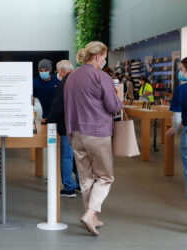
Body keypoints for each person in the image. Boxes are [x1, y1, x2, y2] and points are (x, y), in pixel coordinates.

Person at [64, 41, 122, 235]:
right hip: (97, 133)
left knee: (86, 177)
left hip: (76, 133)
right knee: (105, 177)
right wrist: (118, 95)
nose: (105, 60)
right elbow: (113, 107)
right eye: (104, 56)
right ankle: (90, 213)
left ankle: (93, 218)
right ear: (98, 56)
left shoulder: (71, 77)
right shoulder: (101, 77)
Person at [46, 60, 80, 197]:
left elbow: (58, 105)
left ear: (62, 71)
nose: (57, 73)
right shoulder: (78, 81)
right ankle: (80, 184)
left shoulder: (63, 84)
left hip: (67, 126)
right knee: (77, 157)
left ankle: (69, 187)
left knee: (66, 157)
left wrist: (49, 120)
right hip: (80, 126)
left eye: (57, 70)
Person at [166, 57, 187, 198]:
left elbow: (177, 118)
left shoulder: (181, 90)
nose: (180, 72)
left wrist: (175, 128)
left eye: (181, 69)